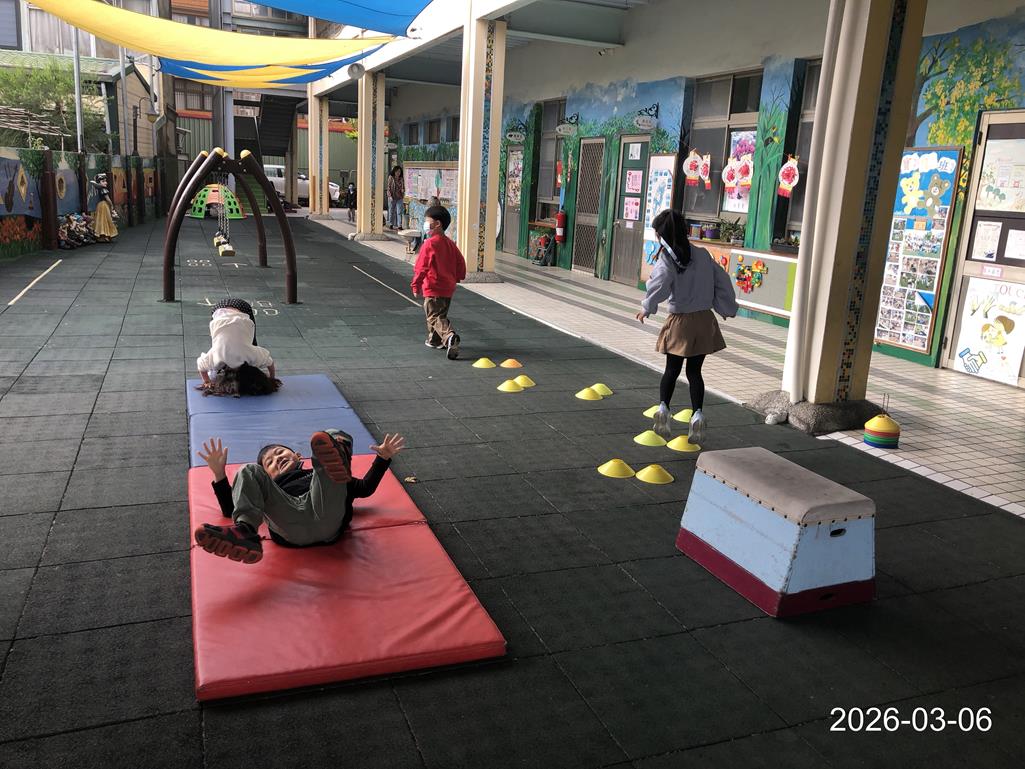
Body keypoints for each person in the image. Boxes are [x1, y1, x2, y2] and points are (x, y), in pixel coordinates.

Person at [193, 430, 406, 563]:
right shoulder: (271, 485)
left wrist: (382, 458)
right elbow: (231, 508)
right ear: (268, 475)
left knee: (330, 441)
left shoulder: (325, 475)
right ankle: (245, 532)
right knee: (248, 470)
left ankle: (338, 447)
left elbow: (365, 488)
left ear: (297, 456)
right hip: (288, 519)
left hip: (325, 512)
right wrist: (219, 474)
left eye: (280, 453)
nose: (277, 459)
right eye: (270, 462)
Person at [636, 210, 738, 443]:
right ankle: (697, 414)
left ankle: (663, 409)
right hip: (704, 320)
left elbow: (659, 285)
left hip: (680, 322)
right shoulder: (702, 254)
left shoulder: (667, 260)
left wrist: (647, 308)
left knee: (671, 370)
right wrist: (727, 308)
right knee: (694, 372)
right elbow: (722, 281)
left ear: (661, 235)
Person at [411, 204, 466, 360]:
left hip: (433, 286)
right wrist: (457, 277)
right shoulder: (450, 243)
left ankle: (449, 336)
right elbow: (460, 263)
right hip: (448, 287)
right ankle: (435, 340)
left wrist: (416, 285)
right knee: (440, 315)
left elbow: (421, 267)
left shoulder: (429, 243)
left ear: (437, 224)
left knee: (433, 316)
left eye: (427, 222)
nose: (425, 225)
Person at [197, 298, 280, 396]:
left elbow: (270, 363)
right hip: (220, 312)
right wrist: (207, 381)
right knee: (218, 341)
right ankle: (213, 371)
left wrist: (272, 377)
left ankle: (213, 372)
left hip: (240, 311)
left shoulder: (251, 356)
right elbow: (201, 366)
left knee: (247, 343)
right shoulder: (218, 359)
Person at [89, 173, 118, 241]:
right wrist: (111, 205)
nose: (105, 182)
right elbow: (108, 199)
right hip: (104, 205)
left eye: (105, 181)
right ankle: (105, 235)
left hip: (100, 205)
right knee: (105, 219)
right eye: (103, 181)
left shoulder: (101, 189)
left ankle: (103, 235)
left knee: (101, 220)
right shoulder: (103, 189)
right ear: (99, 183)